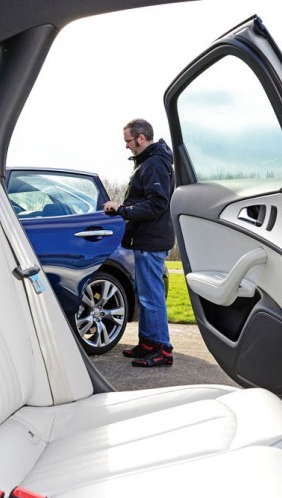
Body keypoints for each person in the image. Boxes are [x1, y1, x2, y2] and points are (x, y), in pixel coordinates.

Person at [103, 119, 175, 367]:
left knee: (152, 297)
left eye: (128, 141)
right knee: (144, 294)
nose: (127, 146)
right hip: (145, 239)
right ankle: (147, 344)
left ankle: (162, 350)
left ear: (141, 138)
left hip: (152, 240)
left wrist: (123, 210)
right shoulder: (148, 162)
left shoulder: (155, 163)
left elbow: (157, 204)